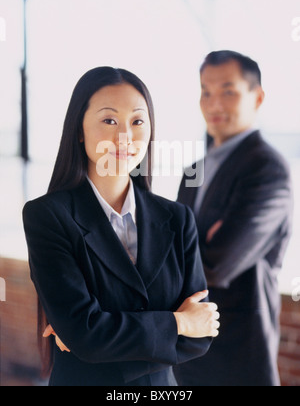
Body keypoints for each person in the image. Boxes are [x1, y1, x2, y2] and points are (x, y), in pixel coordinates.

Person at [22, 67, 220, 387]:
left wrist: (97, 340)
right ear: (79, 130)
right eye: (109, 120)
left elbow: (200, 337)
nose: (124, 137)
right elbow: (87, 334)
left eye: (137, 121)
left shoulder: (178, 219)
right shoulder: (47, 217)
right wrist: (178, 323)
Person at [174, 51, 293, 386]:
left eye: (228, 90)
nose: (214, 103)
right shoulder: (193, 171)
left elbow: (218, 262)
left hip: (238, 354)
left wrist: (184, 247)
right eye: (205, 91)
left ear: (257, 97)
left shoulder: (267, 169)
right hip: (186, 353)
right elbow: (167, 244)